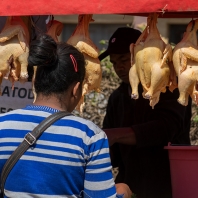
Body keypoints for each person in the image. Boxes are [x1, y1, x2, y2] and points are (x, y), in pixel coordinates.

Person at [0, 34, 132, 198]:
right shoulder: (90, 136)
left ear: (35, 83)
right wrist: (123, 192)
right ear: (76, 89)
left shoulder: (2, 125)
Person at [99, 27, 192, 198]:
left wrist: (116, 135)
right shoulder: (117, 97)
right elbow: (113, 153)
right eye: (113, 63)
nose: (118, 67)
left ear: (141, 57)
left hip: (168, 186)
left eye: (124, 60)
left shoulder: (170, 88)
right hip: (130, 186)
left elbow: (164, 129)